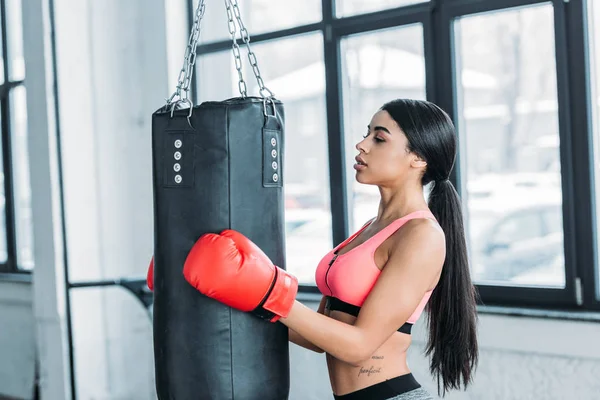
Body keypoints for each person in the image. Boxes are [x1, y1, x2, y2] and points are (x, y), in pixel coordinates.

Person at [149, 99, 479, 399]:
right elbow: (319, 336)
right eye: (367, 134)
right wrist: (232, 293)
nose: (361, 145)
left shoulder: (421, 235)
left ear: (418, 158)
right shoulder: (371, 228)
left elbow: (359, 346)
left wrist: (269, 293)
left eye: (379, 138)